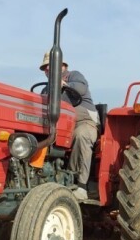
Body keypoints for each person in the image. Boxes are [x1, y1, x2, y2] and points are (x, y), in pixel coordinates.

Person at [40, 51, 99, 200]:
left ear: (62, 65)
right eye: (45, 67)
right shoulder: (46, 89)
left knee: (81, 135)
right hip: (58, 127)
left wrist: (65, 84)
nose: (47, 69)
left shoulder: (74, 76)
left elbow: (81, 88)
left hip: (83, 122)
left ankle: (80, 185)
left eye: (50, 65)